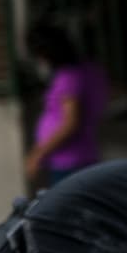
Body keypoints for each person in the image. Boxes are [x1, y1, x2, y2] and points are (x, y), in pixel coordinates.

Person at [22, 21, 109, 190]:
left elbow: (70, 122)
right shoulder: (89, 71)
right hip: (80, 156)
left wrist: (39, 153)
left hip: (69, 162)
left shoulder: (69, 78)